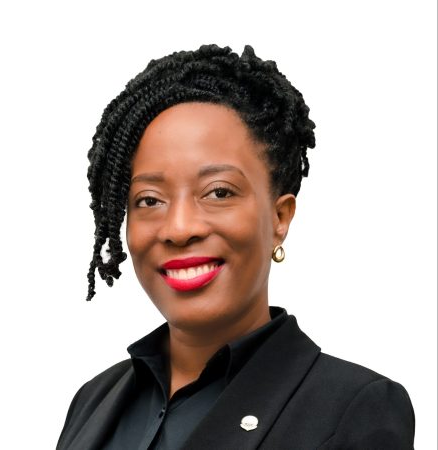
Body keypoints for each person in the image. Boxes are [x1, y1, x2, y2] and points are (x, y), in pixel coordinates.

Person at [56, 44, 415, 450]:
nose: (179, 228)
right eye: (149, 200)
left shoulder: (354, 408)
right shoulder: (93, 400)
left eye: (219, 192)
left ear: (279, 217)